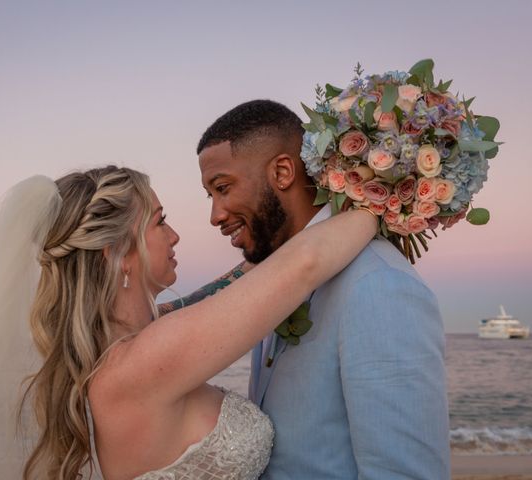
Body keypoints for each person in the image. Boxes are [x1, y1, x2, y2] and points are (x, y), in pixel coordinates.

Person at [0, 166, 377, 480]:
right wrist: (388, 195)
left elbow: (227, 289)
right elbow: (307, 264)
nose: (175, 234)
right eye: (159, 221)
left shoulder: (127, 349)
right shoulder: (145, 362)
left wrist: (259, 253)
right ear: (118, 254)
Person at [193, 100, 451, 479]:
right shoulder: (276, 279)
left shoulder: (377, 285)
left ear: (283, 171)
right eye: (211, 196)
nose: (215, 214)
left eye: (223, 187)